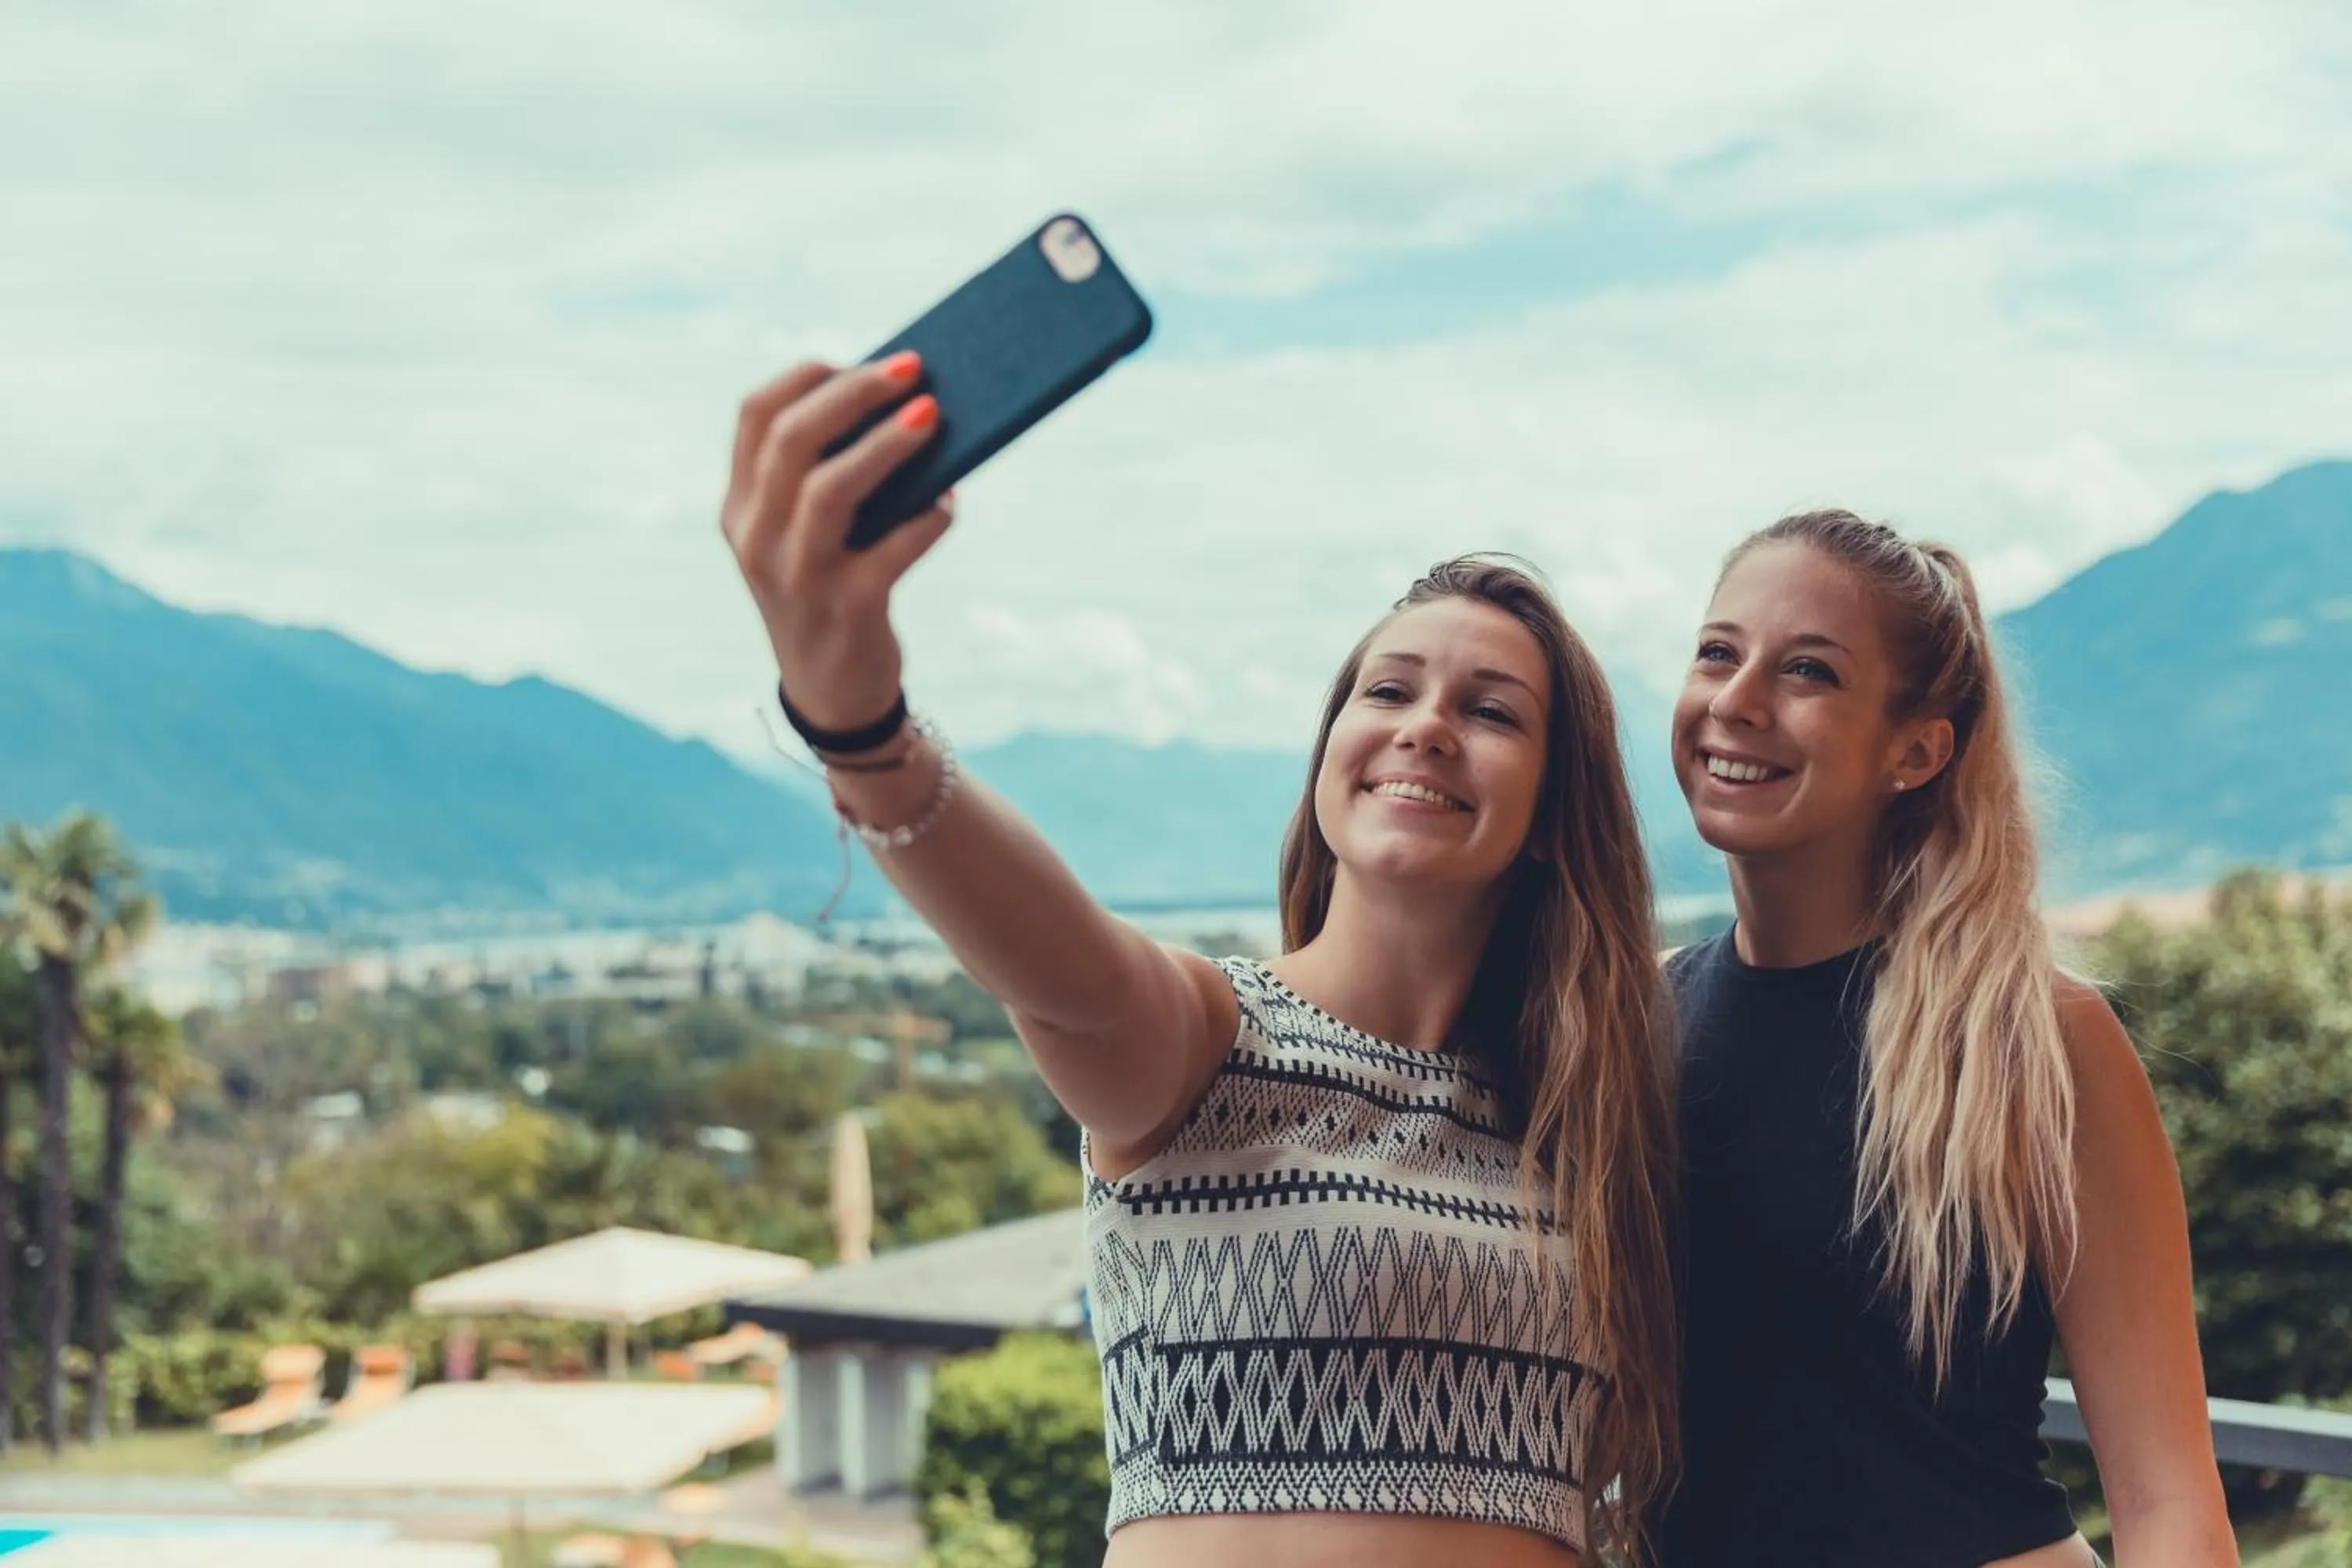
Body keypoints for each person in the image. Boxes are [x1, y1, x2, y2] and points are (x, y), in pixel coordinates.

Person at [719, 354, 1680, 1567]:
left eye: (1492, 712)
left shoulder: (1589, 1115)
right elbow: (1060, 966)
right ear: (1332, 755)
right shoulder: (1209, 1046)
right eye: (1389, 690)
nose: (1427, 724)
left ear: (1551, 811)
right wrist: (863, 729)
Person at [1658, 510, 2236, 1567]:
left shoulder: (2037, 1040)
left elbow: (2170, 1507)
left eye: (1809, 673)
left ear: (1916, 751)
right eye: (1718, 654)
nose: (1737, 703)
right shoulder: (1637, 1027)